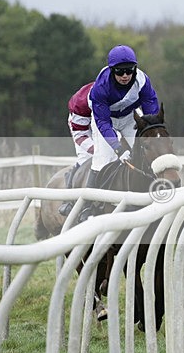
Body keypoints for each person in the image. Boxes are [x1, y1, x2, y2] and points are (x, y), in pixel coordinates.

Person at [79, 45, 160, 221]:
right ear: (111, 70)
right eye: (120, 71)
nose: (125, 76)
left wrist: (151, 131)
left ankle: (159, 192)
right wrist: (117, 148)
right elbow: (102, 122)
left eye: (129, 71)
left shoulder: (142, 81)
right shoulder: (101, 86)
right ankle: (88, 205)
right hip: (106, 121)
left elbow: (150, 111)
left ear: (135, 69)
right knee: (103, 159)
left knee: (149, 150)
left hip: (130, 118)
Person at [58, 82, 95, 216]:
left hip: (107, 121)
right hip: (81, 124)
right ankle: (69, 199)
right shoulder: (81, 102)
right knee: (88, 158)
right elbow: (81, 135)